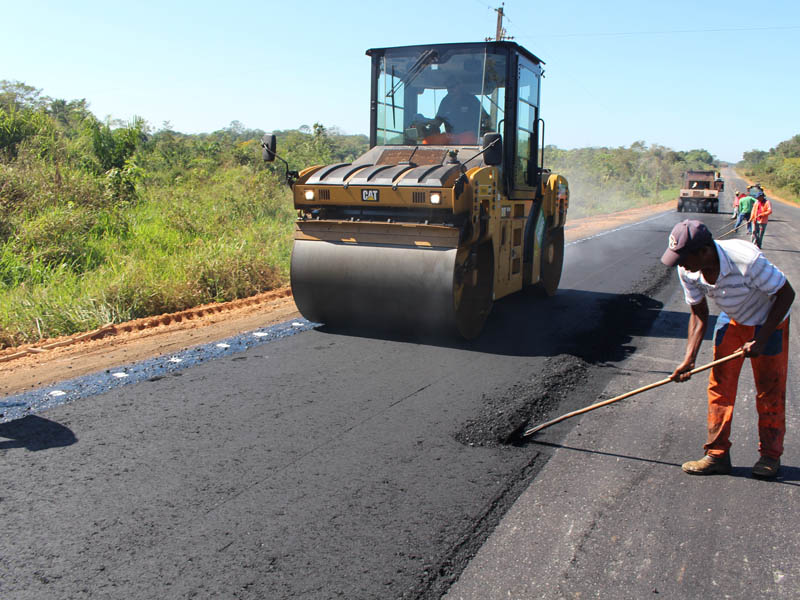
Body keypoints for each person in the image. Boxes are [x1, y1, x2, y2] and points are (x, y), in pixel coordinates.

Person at [661, 219, 794, 478]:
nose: (680, 264)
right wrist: (689, 359)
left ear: (705, 251)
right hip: (733, 320)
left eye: (684, 257)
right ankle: (717, 454)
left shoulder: (747, 260)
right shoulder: (688, 270)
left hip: (770, 322)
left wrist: (762, 338)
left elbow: (786, 294)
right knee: (719, 388)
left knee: (769, 391)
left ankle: (769, 456)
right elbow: (699, 313)